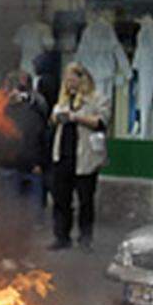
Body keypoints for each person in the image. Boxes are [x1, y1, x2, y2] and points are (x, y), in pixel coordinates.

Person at [48, 61, 109, 251]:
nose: (69, 84)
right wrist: (58, 116)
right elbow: (52, 120)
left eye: (73, 79)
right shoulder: (64, 100)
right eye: (67, 80)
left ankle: (85, 239)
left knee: (85, 200)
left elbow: (102, 121)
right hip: (63, 155)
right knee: (61, 199)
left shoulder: (97, 98)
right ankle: (61, 236)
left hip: (85, 157)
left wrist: (77, 118)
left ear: (83, 79)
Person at [0, 69, 50, 247]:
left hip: (31, 167)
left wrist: (40, 162)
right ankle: (7, 253)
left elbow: (41, 134)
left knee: (29, 217)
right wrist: (8, 104)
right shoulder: (2, 107)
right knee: (9, 214)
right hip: (10, 167)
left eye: (21, 87)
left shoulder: (36, 105)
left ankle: (22, 253)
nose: (17, 92)